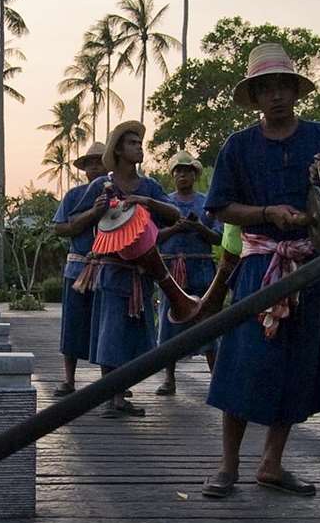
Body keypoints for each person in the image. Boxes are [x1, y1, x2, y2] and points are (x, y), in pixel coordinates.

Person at [203, 44, 320, 499]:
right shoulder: (239, 146)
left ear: (296, 91)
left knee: (297, 364)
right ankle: (228, 464)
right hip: (260, 267)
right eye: (266, 89)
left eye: (283, 87)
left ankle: (272, 462)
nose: (276, 96)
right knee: (244, 362)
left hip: (309, 267)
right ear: (254, 98)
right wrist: (268, 212)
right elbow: (222, 208)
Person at [60, 121, 188, 417]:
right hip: (112, 269)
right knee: (111, 333)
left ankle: (119, 395)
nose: (139, 147)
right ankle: (112, 398)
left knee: (134, 335)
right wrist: (97, 211)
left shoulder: (150, 186)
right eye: (132, 143)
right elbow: (73, 221)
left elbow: (174, 214)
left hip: (142, 271)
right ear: (118, 149)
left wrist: (146, 201)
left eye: (139, 143)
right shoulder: (100, 186)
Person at [49, 145, 109, 397]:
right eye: (90, 163)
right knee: (73, 324)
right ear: (84, 170)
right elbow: (60, 228)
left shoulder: (121, 194)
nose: (94, 167)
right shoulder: (74, 197)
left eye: (99, 162)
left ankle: (112, 383)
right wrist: (93, 213)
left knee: (108, 327)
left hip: (109, 269)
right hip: (78, 268)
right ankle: (69, 379)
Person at [155, 156, 217, 397]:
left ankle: (216, 378)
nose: (183, 175)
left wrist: (199, 228)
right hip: (171, 272)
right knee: (169, 323)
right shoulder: (164, 204)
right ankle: (169, 379)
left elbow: (218, 237)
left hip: (201, 269)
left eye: (188, 171)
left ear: (195, 175)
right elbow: (154, 237)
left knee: (208, 323)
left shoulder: (207, 204)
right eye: (178, 171)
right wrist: (175, 229)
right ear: (173, 175)